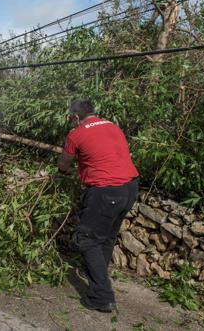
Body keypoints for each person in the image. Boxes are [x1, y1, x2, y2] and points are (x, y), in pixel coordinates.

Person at [57, 99, 139, 313]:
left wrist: (65, 171)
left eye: (70, 119)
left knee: (87, 240)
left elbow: (63, 165)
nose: (71, 122)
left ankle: (102, 296)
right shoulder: (112, 125)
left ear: (75, 117)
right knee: (106, 238)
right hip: (130, 188)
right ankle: (98, 277)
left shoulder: (77, 133)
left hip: (105, 191)